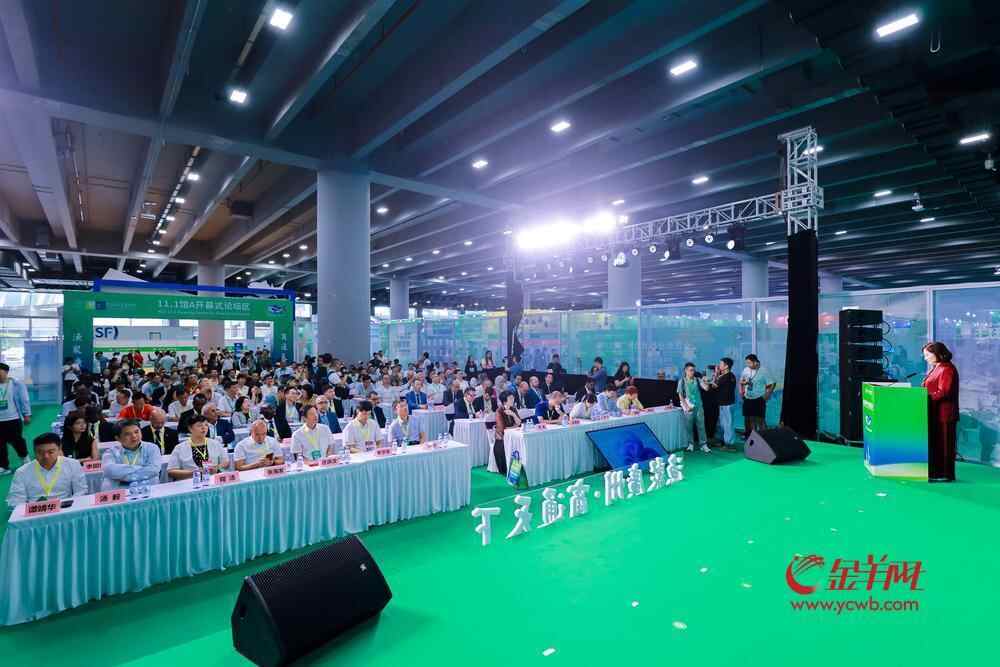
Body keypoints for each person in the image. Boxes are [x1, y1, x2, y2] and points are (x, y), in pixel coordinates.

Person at [6, 432, 87, 508]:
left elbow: (81, 491)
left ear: (59, 449)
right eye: (40, 452)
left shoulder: (72, 464)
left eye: (51, 452)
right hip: (35, 512)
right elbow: (16, 500)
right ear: (34, 451)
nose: (46, 456)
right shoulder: (22, 472)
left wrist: (68, 505)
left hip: (65, 508)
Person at [922, 341, 959, 482]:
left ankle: (945, 474)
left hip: (945, 414)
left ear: (937, 354)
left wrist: (925, 397)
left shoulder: (947, 369)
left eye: (927, 355)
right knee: (937, 445)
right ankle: (936, 472)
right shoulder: (937, 367)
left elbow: (944, 391)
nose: (925, 358)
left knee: (945, 445)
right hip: (935, 413)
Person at [102, 420, 163, 489]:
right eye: (127, 434)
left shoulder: (152, 448)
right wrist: (140, 468)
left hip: (148, 489)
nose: (134, 436)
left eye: (136, 432)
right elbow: (109, 470)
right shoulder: (110, 452)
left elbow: (154, 470)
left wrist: (122, 476)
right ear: (118, 438)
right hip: (120, 492)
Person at [167, 414, 229, 479]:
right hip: (190, 481)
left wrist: (217, 468)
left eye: (206, 425)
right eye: (199, 425)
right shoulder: (180, 448)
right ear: (190, 428)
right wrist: (193, 473)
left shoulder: (215, 443)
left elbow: (225, 462)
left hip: (213, 479)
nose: (204, 428)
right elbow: (171, 471)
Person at [0, 362, 32, 477]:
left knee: (17, 440)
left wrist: (27, 414)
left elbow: (24, 399)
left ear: (6, 372)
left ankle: (25, 460)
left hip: (13, 418)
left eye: (0, 372)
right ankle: (4, 466)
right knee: (0, 444)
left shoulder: (16, 384)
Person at [679, 363, 711, 453]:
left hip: (699, 406)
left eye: (693, 370)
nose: (692, 372)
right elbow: (680, 395)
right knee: (689, 427)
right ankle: (690, 444)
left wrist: (706, 381)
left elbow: (706, 388)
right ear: (685, 371)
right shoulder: (682, 381)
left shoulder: (698, 380)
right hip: (688, 408)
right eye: (691, 370)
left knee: (701, 426)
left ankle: (703, 445)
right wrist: (686, 406)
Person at [740, 354, 774, 436]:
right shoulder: (746, 370)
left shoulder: (764, 371)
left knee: (760, 420)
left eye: (749, 363)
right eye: (746, 363)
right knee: (748, 418)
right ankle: (750, 436)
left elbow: (772, 383)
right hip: (747, 398)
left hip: (758, 399)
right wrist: (742, 390)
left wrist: (767, 395)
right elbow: (741, 381)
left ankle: (765, 437)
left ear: (755, 362)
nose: (747, 365)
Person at [707, 358, 737, 450]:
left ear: (726, 366)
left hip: (727, 404)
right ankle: (721, 441)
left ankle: (729, 445)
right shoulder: (726, 376)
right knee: (722, 424)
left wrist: (715, 374)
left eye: (721, 364)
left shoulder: (727, 376)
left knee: (728, 425)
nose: (719, 366)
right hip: (723, 403)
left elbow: (714, 385)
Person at [493, 390, 522, 474]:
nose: (513, 400)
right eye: (511, 398)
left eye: (513, 398)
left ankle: (518, 466)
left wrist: (513, 414)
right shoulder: (499, 411)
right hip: (502, 438)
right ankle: (507, 469)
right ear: (505, 401)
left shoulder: (513, 409)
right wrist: (515, 426)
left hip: (513, 435)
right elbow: (502, 429)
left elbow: (519, 423)